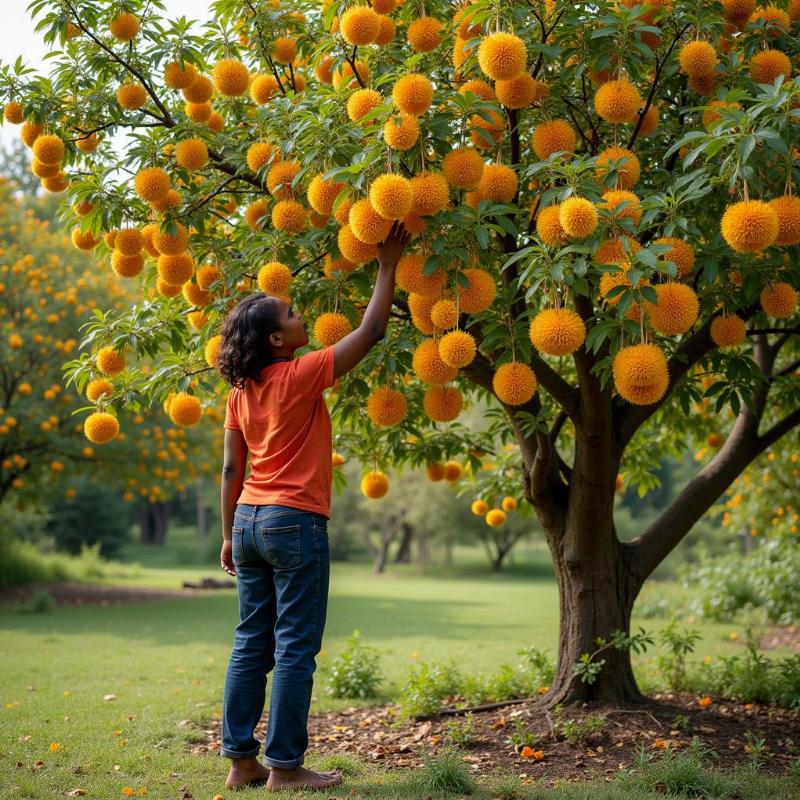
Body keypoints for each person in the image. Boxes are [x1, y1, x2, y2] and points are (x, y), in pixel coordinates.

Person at [216, 221, 411, 792]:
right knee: (296, 646)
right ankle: (286, 768)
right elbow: (372, 330)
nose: (303, 320)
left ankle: (240, 762)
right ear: (278, 340)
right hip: (294, 522)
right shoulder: (300, 375)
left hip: (249, 521)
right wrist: (386, 264)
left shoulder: (239, 392)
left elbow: (231, 468)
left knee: (252, 639)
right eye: (294, 316)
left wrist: (228, 535)